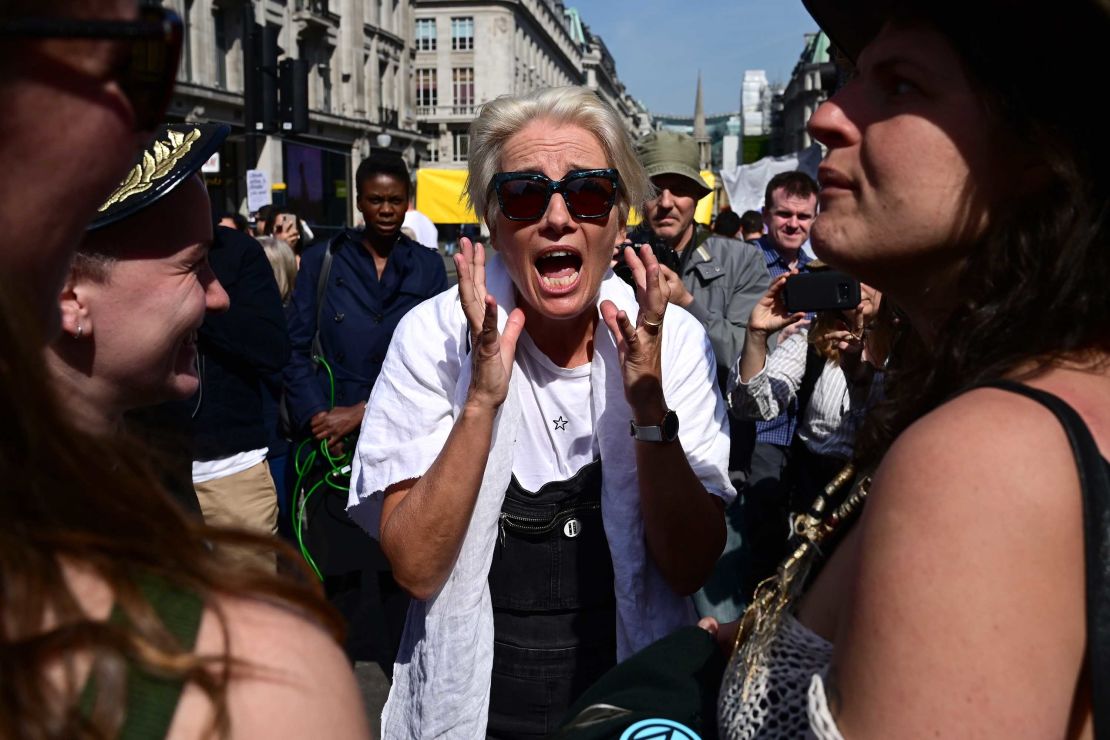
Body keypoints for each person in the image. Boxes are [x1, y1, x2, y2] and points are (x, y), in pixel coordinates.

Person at [710, 1, 1110, 737]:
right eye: (850, 77)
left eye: (899, 86)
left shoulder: (984, 457)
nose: (827, 116)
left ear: (1035, 153)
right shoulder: (1036, 391)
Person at [0, 6, 369, 728]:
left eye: (160, 39)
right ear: (69, 289)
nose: (219, 293)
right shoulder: (255, 682)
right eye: (116, 46)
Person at [347, 85, 734, 738]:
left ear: (618, 219)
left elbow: (690, 566)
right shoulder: (434, 336)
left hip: (629, 705)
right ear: (495, 222)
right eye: (525, 194)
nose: (556, 218)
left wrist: (648, 407)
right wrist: (480, 402)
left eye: (586, 192)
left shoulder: (673, 340)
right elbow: (414, 567)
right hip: (476, 712)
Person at [283, 150, 448, 667]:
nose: (385, 210)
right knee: (343, 579)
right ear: (359, 201)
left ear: (408, 203)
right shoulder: (321, 261)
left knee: (402, 568)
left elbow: (441, 357)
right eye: (375, 200)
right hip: (332, 445)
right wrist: (317, 415)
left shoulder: (425, 266)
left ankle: (402, 676)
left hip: (403, 436)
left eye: (395, 201)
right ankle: (343, 684)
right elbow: (292, 349)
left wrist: (364, 412)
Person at [730, 272, 887, 517]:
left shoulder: (907, 349)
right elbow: (751, 408)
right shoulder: (811, 340)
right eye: (848, 275)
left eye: (867, 273)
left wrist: (858, 376)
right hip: (811, 490)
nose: (859, 287)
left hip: (877, 495)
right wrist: (757, 335)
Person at [189, 224, 290, 571]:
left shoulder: (236, 252)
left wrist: (195, 300)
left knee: (250, 617)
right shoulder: (124, 246)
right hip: (150, 474)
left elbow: (273, 349)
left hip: (232, 473)